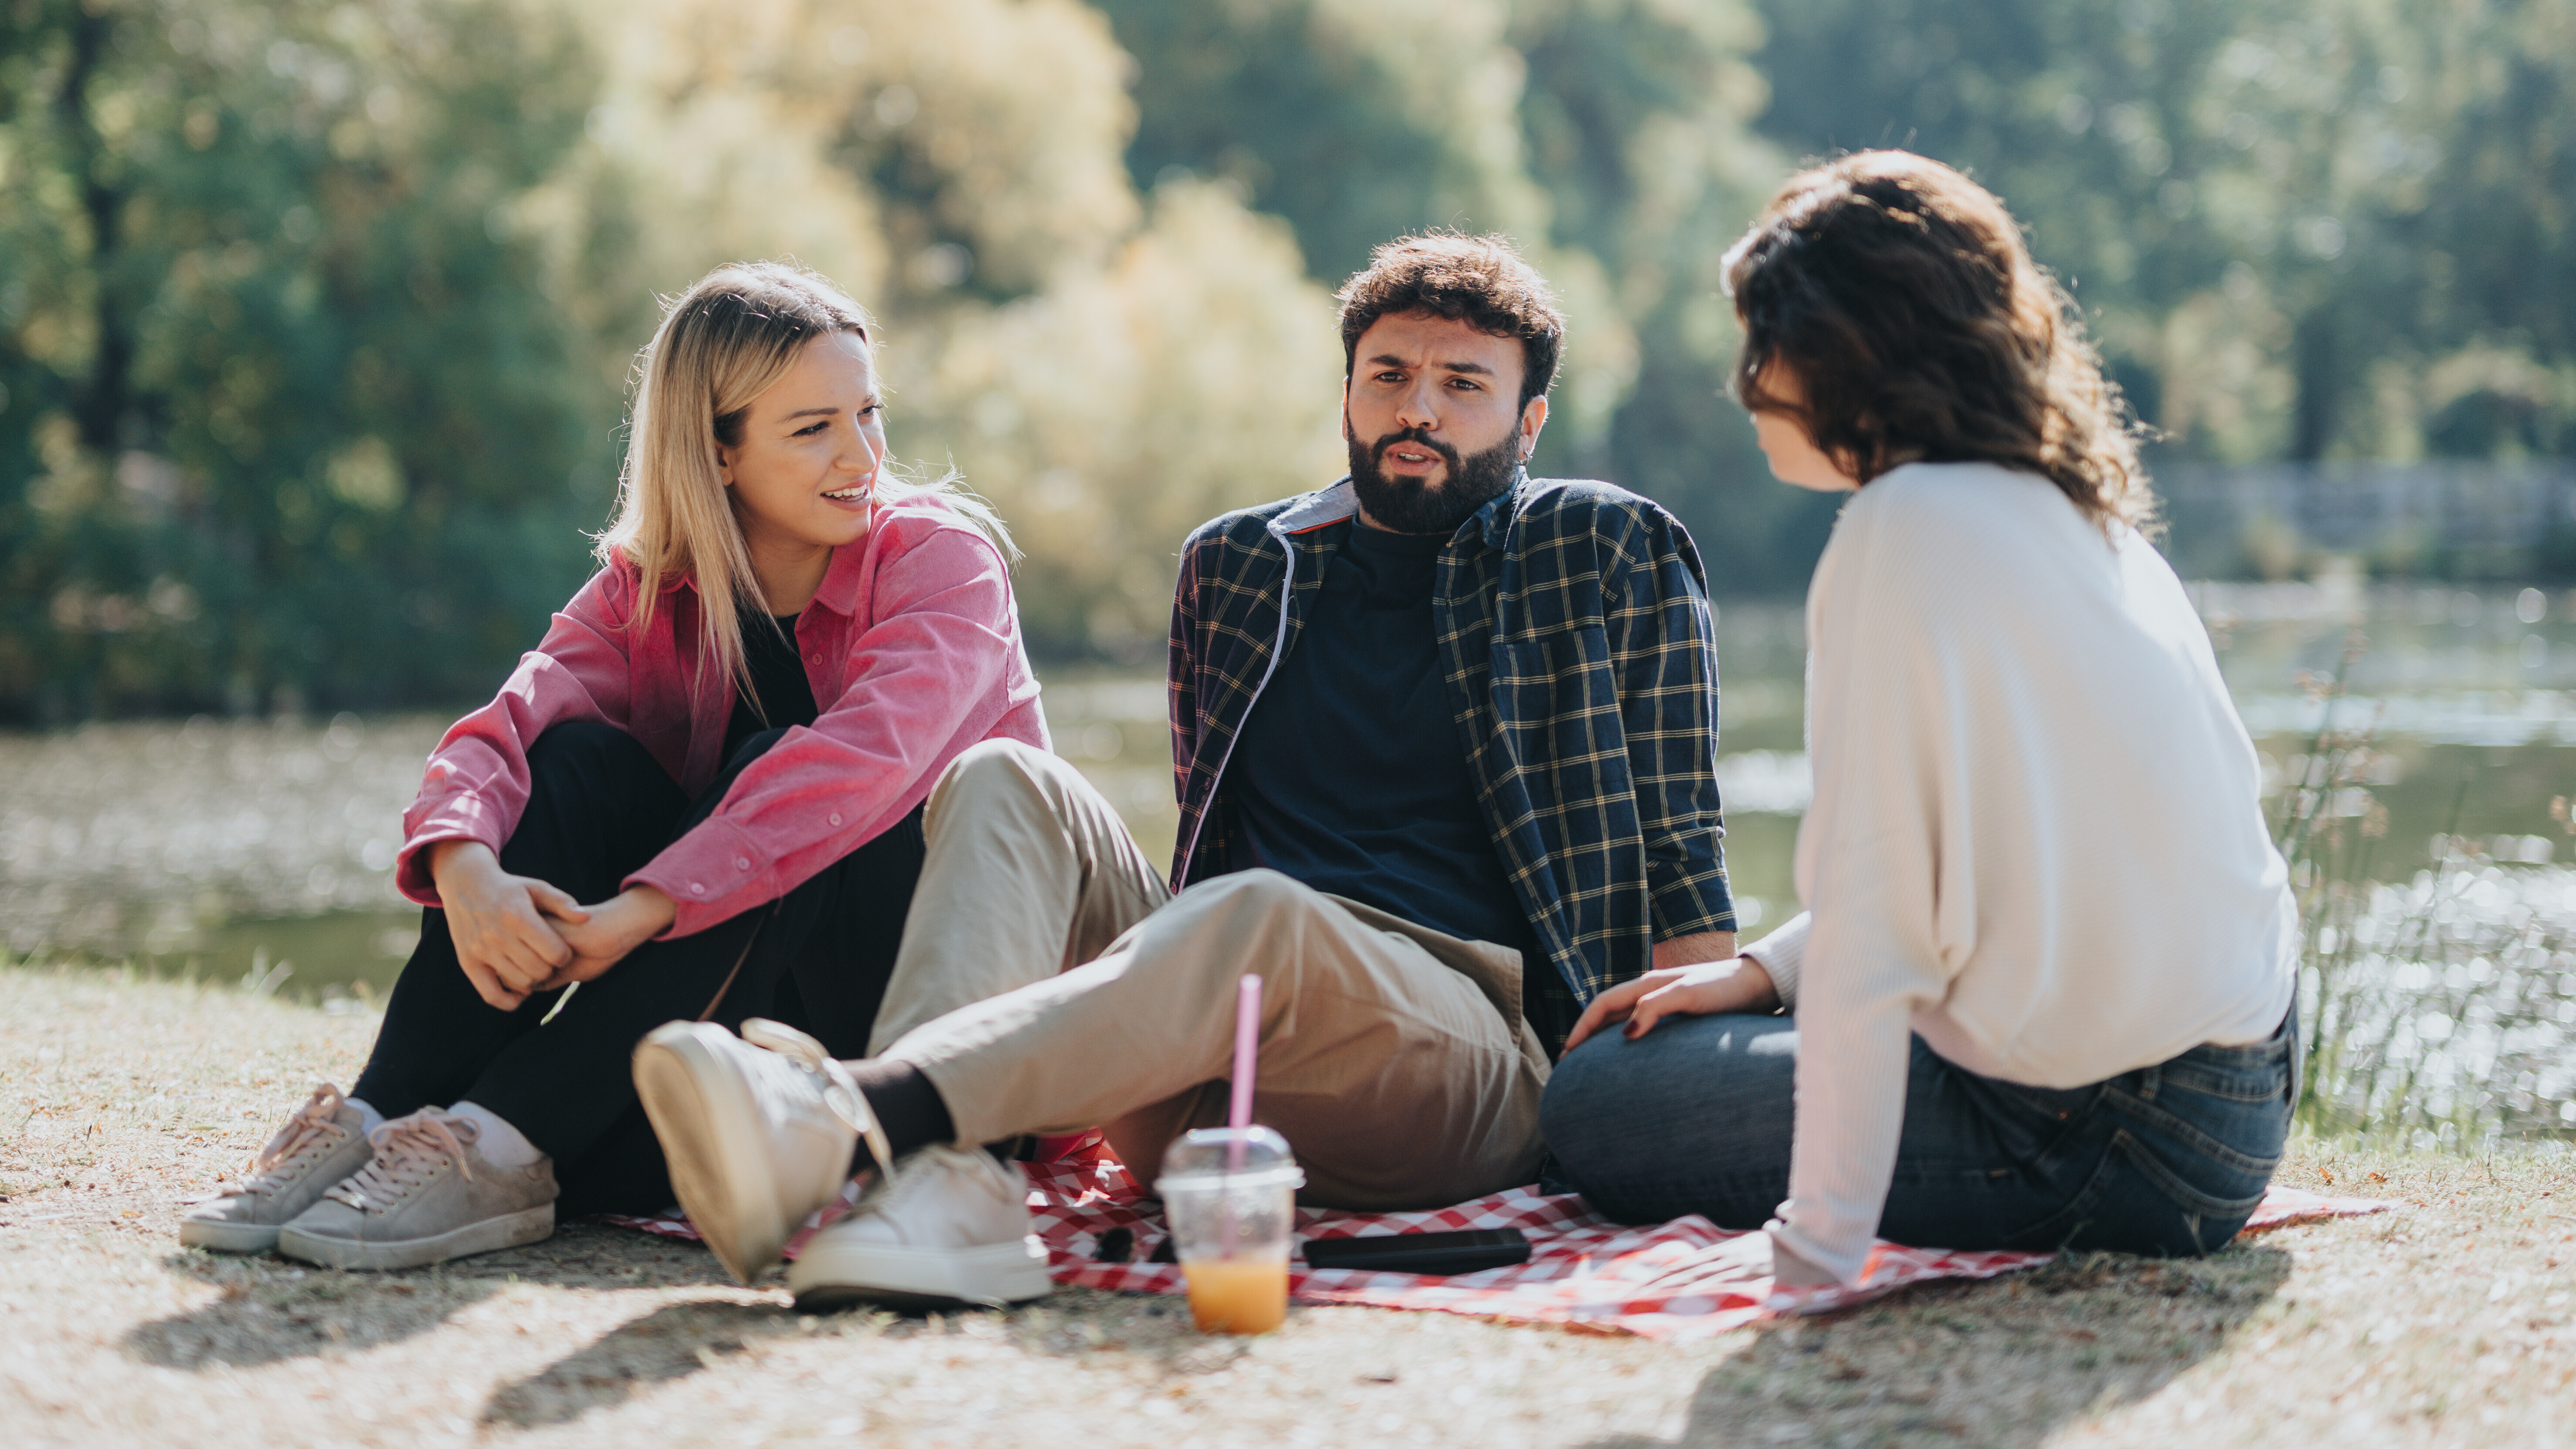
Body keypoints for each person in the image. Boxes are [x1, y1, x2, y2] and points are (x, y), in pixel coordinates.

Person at [627, 232, 1742, 1308]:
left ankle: (844, 1119)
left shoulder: (1600, 546)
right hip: (1222, 1077)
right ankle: (945, 1187)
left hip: (1469, 1071)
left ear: (1529, 419)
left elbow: (1681, 842)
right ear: (1346, 394)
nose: (1418, 408)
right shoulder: (1241, 563)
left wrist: (1678, 1109)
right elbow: (1203, 839)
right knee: (1009, 777)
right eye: (1389, 375)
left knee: (1258, 918)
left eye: (1463, 384)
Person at [178, 262, 1047, 1270]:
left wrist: (643, 909)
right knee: (571, 762)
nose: (863, 455)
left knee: (782, 773)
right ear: (716, 452)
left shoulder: (942, 563)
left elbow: (852, 768)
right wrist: (466, 868)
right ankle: (386, 1114)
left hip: (900, 1049)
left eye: (867, 412)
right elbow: (508, 724)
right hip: (709, 1022)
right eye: (814, 428)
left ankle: (502, 1139)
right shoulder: (654, 588)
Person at [1537, 152, 2300, 1289]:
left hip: (2105, 1139)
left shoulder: (1902, 526)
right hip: (2243, 1096)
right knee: (1682, 1038)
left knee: (1595, 1094)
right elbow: (1979, 861)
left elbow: (1877, 932)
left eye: (1764, 342)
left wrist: (1817, 1248)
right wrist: (1762, 971)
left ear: (1845, 349)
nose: (1747, 381)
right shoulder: (2072, 510)